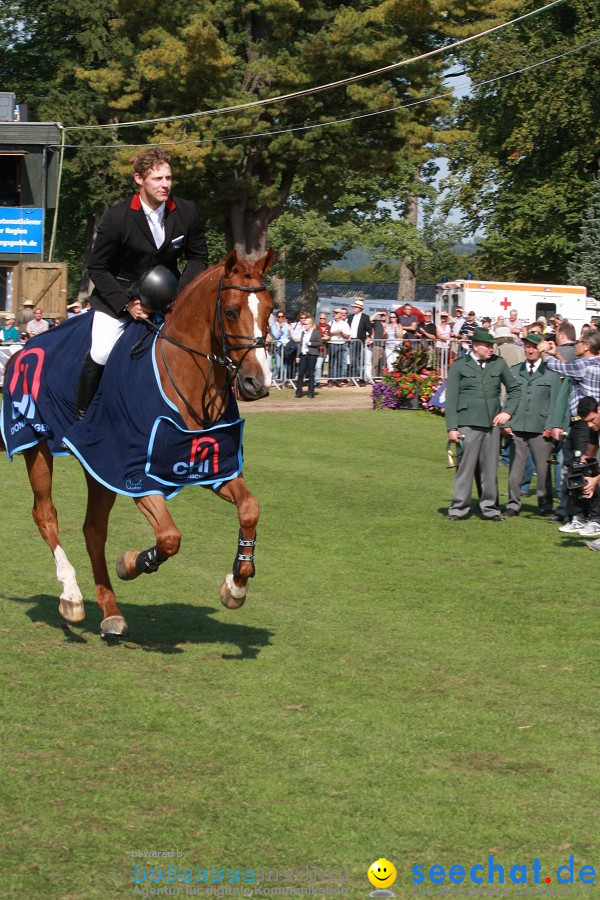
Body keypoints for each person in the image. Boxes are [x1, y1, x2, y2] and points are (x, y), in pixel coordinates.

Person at [77, 147, 209, 418]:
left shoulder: (186, 212)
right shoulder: (116, 217)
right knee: (101, 352)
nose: (165, 185)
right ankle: (83, 417)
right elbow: (97, 268)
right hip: (119, 299)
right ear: (139, 179)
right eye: (158, 179)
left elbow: (198, 259)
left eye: (169, 178)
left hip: (169, 299)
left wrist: (179, 296)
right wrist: (128, 304)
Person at [445, 327, 520, 521]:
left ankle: (490, 508)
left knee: (490, 469)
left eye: (491, 346)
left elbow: (515, 389)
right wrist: (452, 427)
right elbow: (451, 398)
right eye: (487, 346)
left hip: (491, 425)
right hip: (467, 423)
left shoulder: (498, 363)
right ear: (475, 346)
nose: (490, 349)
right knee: (465, 469)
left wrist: (507, 412)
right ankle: (458, 508)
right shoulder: (460, 365)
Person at [503, 332, 561, 517]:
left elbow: (555, 402)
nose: (530, 350)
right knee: (515, 470)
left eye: (534, 347)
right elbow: (509, 398)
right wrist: (508, 421)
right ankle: (513, 503)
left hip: (540, 427)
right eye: (527, 346)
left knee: (543, 470)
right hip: (518, 425)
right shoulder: (515, 370)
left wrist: (551, 425)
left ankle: (545, 505)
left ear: (540, 349)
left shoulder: (551, 374)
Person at [557, 396, 600, 538]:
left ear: (599, 410)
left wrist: (595, 480)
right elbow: (590, 452)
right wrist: (582, 463)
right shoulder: (594, 427)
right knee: (581, 469)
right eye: (586, 422)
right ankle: (581, 517)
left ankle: (596, 520)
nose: (590, 425)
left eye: (592, 420)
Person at [295, 316, 321, 398]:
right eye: (304, 324)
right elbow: (300, 344)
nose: (304, 325)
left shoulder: (316, 332)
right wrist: (297, 356)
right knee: (301, 373)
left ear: (310, 324)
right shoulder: (303, 333)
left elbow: (319, 342)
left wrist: (310, 343)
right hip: (303, 354)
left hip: (312, 355)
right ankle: (298, 392)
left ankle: (311, 393)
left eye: (306, 324)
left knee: (311, 374)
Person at [347, 299, 372, 381]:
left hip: (360, 341)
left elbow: (369, 329)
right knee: (353, 360)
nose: (354, 308)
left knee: (361, 360)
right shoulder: (350, 317)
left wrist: (368, 337)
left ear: (360, 308)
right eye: (354, 306)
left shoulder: (365, 317)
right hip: (352, 341)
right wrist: (347, 336)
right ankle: (353, 378)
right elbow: (347, 328)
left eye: (356, 306)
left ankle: (362, 379)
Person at [328, 308, 351, 383]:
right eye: (334, 313)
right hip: (332, 344)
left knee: (340, 364)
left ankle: (338, 380)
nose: (334, 314)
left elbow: (347, 336)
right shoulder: (330, 323)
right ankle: (330, 380)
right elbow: (327, 333)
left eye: (336, 313)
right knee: (331, 363)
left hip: (341, 344)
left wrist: (341, 333)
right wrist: (335, 332)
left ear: (340, 315)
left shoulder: (344, 324)